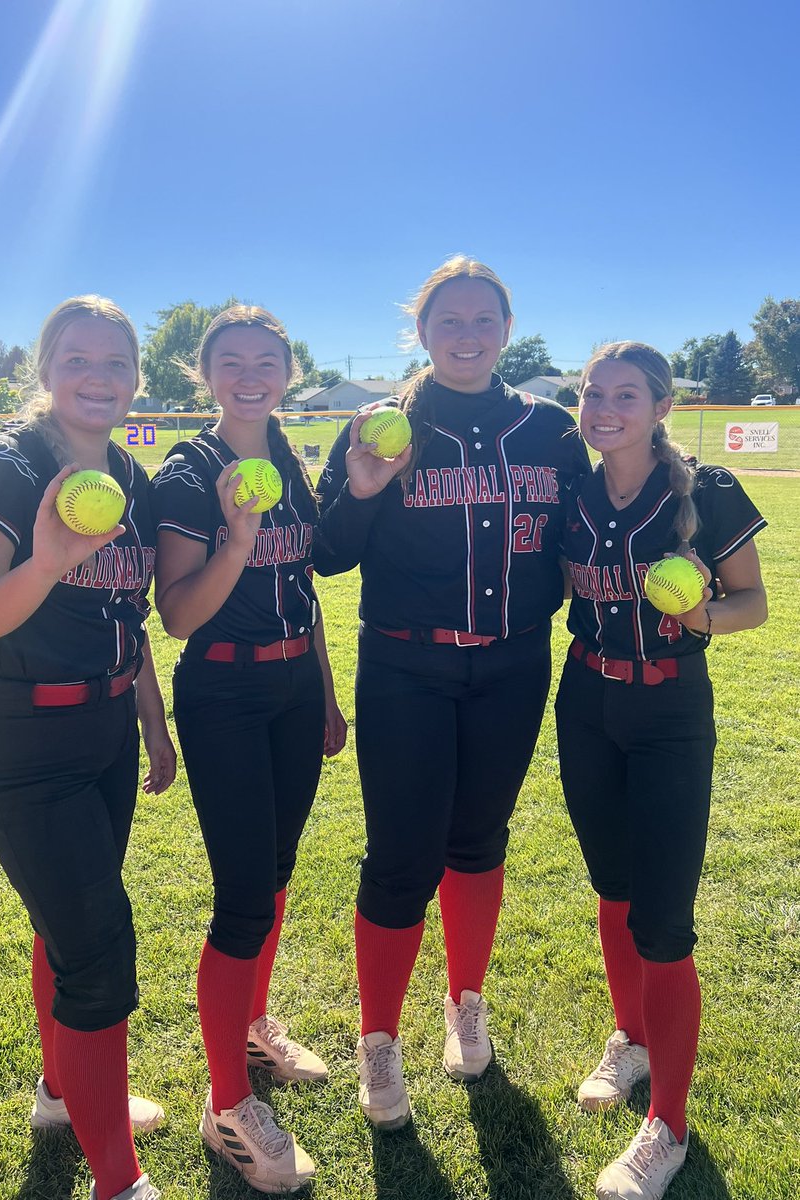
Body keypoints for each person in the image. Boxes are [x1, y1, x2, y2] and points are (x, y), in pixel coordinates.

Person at [315, 255, 591, 1127]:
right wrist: (360, 492)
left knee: (479, 840)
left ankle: (464, 1003)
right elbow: (326, 553)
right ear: (422, 332)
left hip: (512, 664)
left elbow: (586, 532)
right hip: (405, 667)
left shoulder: (550, 429)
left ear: (507, 329)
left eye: (483, 319)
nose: (467, 335)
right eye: (449, 321)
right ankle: (379, 1042)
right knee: (401, 858)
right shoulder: (379, 424)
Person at [0, 296, 177, 1200]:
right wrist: (43, 562)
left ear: (136, 379)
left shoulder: (130, 479)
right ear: (45, 368)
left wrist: (152, 720)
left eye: (117, 362)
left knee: (67, 927)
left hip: (108, 728)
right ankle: (119, 1181)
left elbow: (133, 617)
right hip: (23, 735)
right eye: (79, 358)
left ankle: (57, 1092)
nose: (99, 376)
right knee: (101, 950)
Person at [555, 342, 767, 1200]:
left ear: (661, 405)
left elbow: (753, 602)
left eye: (626, 394)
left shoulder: (706, 491)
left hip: (672, 710)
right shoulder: (573, 486)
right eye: (593, 393)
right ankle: (631, 1039)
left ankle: (667, 1127)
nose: (606, 408)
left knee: (664, 921)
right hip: (587, 704)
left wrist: (702, 613)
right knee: (613, 889)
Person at [149, 305, 346, 1194]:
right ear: (207, 374)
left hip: (296, 684)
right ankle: (225, 1102)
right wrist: (238, 539)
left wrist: (329, 691)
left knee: (274, 875)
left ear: (289, 370)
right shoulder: (189, 469)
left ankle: (254, 1030)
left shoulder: (291, 461)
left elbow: (302, 586)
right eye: (232, 361)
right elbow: (181, 614)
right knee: (239, 899)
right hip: (225, 689)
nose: (251, 374)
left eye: (268, 359)